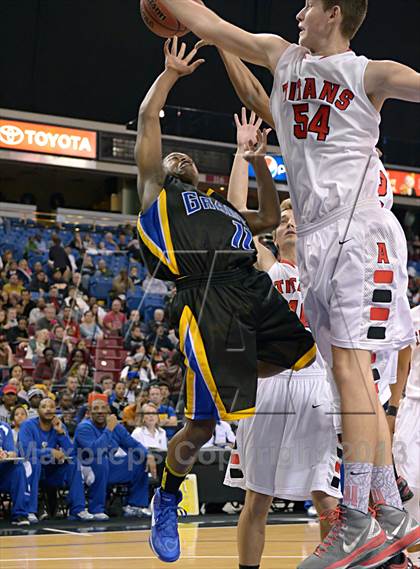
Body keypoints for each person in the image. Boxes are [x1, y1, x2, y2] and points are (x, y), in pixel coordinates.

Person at [157, 1, 420, 567]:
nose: (298, 11)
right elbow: (213, 27)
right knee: (355, 377)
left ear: (333, 12)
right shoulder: (284, 59)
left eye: (308, 5)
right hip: (321, 244)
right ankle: (386, 512)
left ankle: (357, 520)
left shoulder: (369, 72)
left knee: (353, 371)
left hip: (357, 229)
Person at [135, 38, 314, 562]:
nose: (179, 156)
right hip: (205, 297)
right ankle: (166, 495)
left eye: (185, 157)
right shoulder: (155, 193)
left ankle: (225, 388)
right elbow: (148, 117)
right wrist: (169, 75)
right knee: (203, 424)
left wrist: (257, 160)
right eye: (173, 156)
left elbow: (266, 212)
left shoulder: (220, 207)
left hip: (248, 290)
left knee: (304, 358)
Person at [223, 112, 342, 564]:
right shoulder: (267, 269)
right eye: (283, 218)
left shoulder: (324, 265)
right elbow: (234, 218)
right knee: (258, 498)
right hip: (268, 383)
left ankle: (341, 559)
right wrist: (245, 155)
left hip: (316, 384)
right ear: (273, 231)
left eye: (297, 218)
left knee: (325, 495)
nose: (290, 222)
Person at [74, 396, 154, 520]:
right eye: (96, 408)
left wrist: (148, 454)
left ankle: (134, 505)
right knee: (101, 460)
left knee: (138, 459)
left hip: (108, 467)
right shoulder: (84, 427)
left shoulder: (116, 427)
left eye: (103, 408)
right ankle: (96, 509)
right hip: (86, 467)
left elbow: (133, 444)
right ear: (89, 413)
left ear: (108, 411)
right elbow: (95, 451)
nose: (100, 411)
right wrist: (109, 429)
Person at [18, 397, 94, 522]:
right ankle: (30, 511)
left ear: (56, 409)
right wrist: (50, 451)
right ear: (38, 411)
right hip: (33, 470)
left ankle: (78, 509)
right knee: (34, 462)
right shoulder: (28, 425)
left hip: (52, 472)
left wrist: (61, 433)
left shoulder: (59, 425)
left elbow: (71, 452)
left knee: (73, 463)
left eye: (51, 406)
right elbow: (25, 451)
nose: (48, 409)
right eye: (44, 406)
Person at [393, 305, 420, 567]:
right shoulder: (411, 316)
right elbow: (401, 364)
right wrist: (394, 405)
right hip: (413, 404)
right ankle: (414, 555)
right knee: (409, 484)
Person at [0, 419, 31, 525]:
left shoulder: (3, 427)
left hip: (2, 474)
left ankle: (20, 514)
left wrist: (6, 454)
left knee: (18, 467)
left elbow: (13, 452)